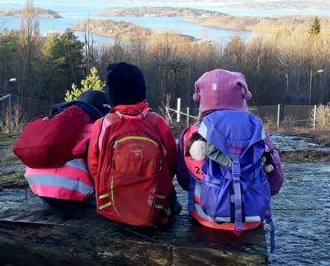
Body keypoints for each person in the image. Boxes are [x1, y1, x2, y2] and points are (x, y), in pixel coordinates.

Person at [176, 69, 283, 249]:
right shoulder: (257, 130)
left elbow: (184, 180)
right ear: (242, 98)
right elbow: (275, 183)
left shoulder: (193, 134)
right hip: (252, 219)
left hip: (206, 218)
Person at [87, 62, 180, 226]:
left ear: (112, 94)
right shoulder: (158, 123)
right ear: (142, 90)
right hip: (155, 208)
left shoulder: (103, 124)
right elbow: (172, 164)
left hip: (111, 209)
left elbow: (94, 167)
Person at [24, 90, 111, 207]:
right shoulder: (97, 128)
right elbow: (97, 164)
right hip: (73, 191)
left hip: (38, 185)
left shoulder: (57, 122)